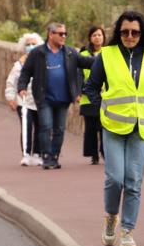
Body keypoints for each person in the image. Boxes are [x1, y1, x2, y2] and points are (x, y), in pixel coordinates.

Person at [83, 12, 144, 246]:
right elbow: (90, 87)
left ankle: (128, 231)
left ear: (143, 33)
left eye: (135, 32)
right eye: (125, 32)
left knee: (134, 181)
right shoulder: (107, 56)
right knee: (114, 179)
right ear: (118, 33)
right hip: (113, 126)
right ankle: (111, 216)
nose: (130, 36)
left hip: (141, 128)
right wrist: (103, 110)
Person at [17, 22, 93, 170]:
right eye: (60, 34)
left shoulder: (70, 53)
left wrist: (105, 59)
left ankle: (54, 156)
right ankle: (46, 156)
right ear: (50, 34)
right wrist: (22, 87)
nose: (63, 36)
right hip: (44, 97)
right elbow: (26, 71)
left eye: (65, 34)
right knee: (45, 126)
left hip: (63, 98)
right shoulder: (38, 53)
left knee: (59, 128)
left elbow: (86, 62)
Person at [5, 32, 44, 166]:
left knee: (40, 127)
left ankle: (38, 154)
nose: (31, 47)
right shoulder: (18, 65)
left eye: (33, 44)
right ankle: (26, 154)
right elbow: (11, 82)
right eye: (28, 44)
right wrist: (11, 98)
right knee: (26, 127)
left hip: (39, 101)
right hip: (23, 101)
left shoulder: (43, 62)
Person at [79, 26, 106, 165]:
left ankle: (105, 152)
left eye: (100, 35)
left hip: (104, 96)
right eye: (94, 35)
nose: (97, 37)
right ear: (90, 37)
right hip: (87, 96)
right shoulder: (83, 54)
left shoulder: (108, 53)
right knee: (90, 128)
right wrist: (80, 90)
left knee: (103, 126)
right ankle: (93, 155)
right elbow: (78, 73)